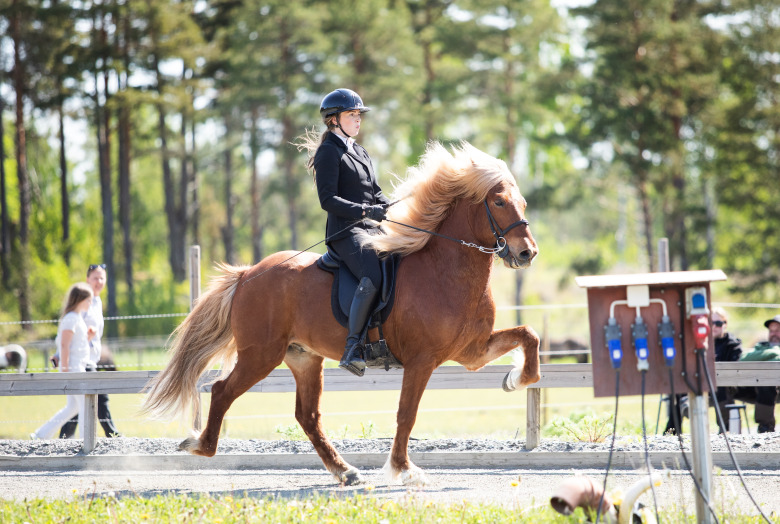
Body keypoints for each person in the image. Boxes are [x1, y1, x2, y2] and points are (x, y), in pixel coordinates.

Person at [299, 88, 391, 377]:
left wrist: (386, 206)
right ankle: (353, 347)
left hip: (370, 230)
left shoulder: (359, 150)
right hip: (345, 234)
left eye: (359, 115)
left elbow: (374, 192)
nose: (358, 119)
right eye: (352, 114)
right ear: (334, 119)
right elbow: (328, 200)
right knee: (373, 273)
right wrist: (365, 211)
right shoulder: (329, 152)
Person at [58, 264, 121, 438]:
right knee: (97, 398)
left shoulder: (98, 302)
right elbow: (69, 333)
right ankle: (111, 434)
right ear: (87, 279)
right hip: (82, 360)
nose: (99, 282)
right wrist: (60, 356)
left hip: (92, 359)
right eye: (95, 278)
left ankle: (64, 438)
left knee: (80, 404)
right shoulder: (85, 302)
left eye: (102, 278)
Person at [31, 282, 95, 439]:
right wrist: (66, 370)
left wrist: (88, 337)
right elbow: (65, 345)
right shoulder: (71, 319)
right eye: (88, 300)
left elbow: (74, 346)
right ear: (79, 300)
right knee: (85, 405)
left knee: (73, 407)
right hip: (73, 369)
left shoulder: (75, 318)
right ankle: (86, 440)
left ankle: (41, 435)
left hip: (75, 367)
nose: (90, 303)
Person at [736, 314, 780, 433]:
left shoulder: (761, 351)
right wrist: (773, 352)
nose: (773, 334)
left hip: (775, 386)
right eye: (771, 330)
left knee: (766, 379)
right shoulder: (761, 346)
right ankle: (727, 427)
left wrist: (763, 357)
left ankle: (766, 427)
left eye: (777, 330)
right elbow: (743, 359)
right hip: (757, 387)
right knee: (726, 385)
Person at [711, 306, 742, 429]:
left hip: (727, 385)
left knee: (722, 383)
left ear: (725, 324)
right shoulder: (702, 343)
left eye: (718, 323)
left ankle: (726, 429)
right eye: (710, 323)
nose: (714, 326)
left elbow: (735, 368)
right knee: (678, 390)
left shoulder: (733, 344)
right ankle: (673, 430)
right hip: (703, 383)